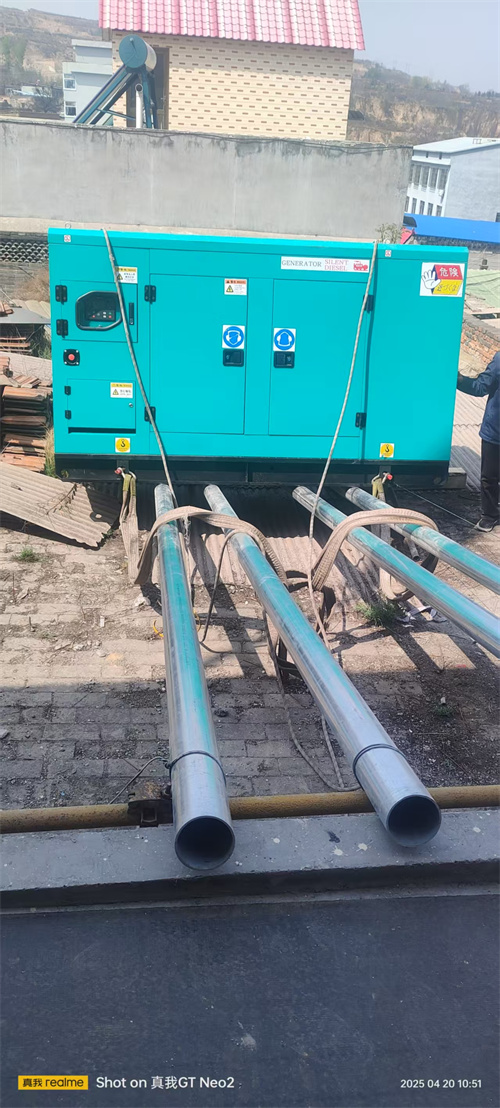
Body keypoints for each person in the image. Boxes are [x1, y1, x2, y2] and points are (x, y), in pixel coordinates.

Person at [457, 351, 499, 531]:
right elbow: (480, 387)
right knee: (489, 476)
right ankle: (490, 515)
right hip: (496, 432)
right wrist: (459, 380)